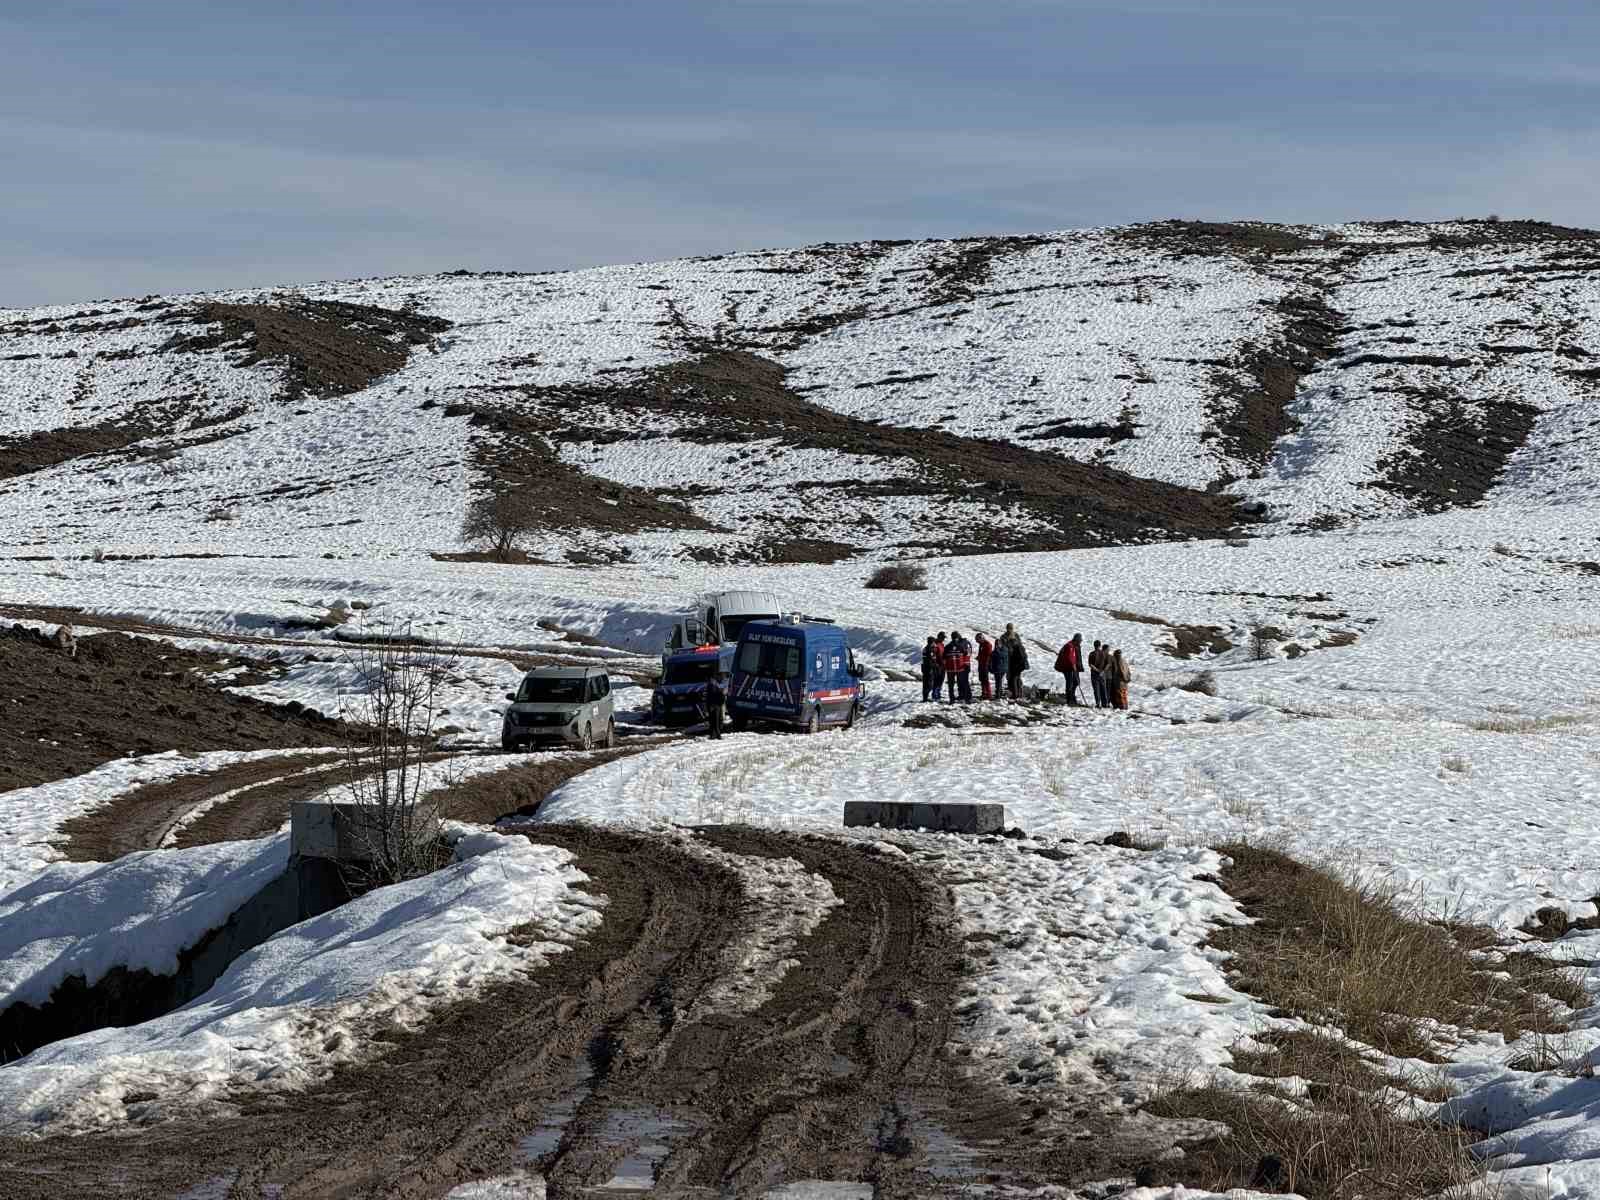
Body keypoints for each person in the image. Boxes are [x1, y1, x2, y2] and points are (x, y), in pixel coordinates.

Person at [1055, 633, 1084, 705]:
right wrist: (1073, 665)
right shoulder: (1069, 646)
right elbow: (1069, 657)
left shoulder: (1075, 645)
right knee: (1070, 683)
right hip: (1068, 668)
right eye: (1080, 640)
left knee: (1076, 682)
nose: (1080, 641)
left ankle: (1072, 696)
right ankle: (1069, 700)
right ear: (1076, 640)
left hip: (1073, 667)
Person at [1002, 625, 1029, 700]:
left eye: (1010, 628)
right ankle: (1017, 693)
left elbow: (1005, 648)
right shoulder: (1012, 636)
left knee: (1013, 678)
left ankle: (1015, 693)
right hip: (1015, 662)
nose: (1009, 630)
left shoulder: (1007, 637)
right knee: (1015, 678)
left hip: (1013, 662)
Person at [948, 630, 973, 703]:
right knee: (961, 681)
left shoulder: (961, 644)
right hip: (965, 664)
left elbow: (964, 653)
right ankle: (963, 695)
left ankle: (967, 695)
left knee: (964, 681)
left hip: (963, 664)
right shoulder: (966, 643)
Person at [703, 671, 727, 738]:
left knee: (716, 720)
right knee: (715, 720)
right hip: (714, 705)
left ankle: (713, 734)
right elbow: (712, 695)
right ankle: (716, 735)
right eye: (721, 677)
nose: (722, 679)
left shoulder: (714, 684)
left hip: (716, 704)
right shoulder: (712, 684)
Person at [989, 632, 1010, 700]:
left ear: (1001, 643)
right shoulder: (997, 650)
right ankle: (999, 693)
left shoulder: (1004, 649)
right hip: (997, 668)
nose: (997, 645)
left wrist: (996, 651)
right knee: (998, 681)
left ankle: (998, 694)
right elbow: (992, 656)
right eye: (996, 644)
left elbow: (1000, 655)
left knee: (999, 681)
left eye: (998, 643)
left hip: (1001, 668)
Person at [1088, 640, 1108, 708]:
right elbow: (1107, 664)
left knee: (1096, 689)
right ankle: (1105, 704)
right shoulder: (1104, 654)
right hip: (1102, 674)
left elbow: (1090, 665)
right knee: (1103, 689)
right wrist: (1103, 671)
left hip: (1094, 673)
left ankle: (1098, 703)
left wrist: (1097, 670)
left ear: (1094, 645)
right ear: (1100, 645)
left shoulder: (1091, 654)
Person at [920, 636, 939, 702]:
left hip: (925, 668)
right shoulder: (929, 649)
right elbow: (931, 659)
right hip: (928, 668)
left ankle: (925, 697)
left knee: (926, 683)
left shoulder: (925, 648)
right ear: (932, 642)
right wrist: (935, 665)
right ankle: (925, 698)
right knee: (929, 684)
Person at [975, 632, 994, 700]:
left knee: (985, 680)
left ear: (981, 638)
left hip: (985, 665)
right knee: (982, 679)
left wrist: (981, 658)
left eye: (977, 640)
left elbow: (988, 655)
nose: (977, 641)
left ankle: (989, 694)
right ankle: (984, 693)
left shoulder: (987, 644)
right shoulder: (981, 644)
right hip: (981, 664)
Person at [929, 632, 947, 703]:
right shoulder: (935, 644)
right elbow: (933, 655)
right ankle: (935, 695)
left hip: (943, 665)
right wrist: (935, 664)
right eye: (942, 637)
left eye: (944, 638)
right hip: (937, 666)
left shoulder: (942, 644)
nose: (943, 639)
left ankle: (938, 694)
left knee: (941, 680)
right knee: (936, 681)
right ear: (939, 637)